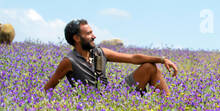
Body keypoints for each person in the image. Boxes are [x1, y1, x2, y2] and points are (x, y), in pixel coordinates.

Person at [42, 19, 176, 96]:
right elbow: (48, 88)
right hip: (92, 107)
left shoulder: (101, 52)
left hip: (113, 97)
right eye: (89, 33)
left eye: (92, 32)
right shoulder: (68, 61)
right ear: (77, 38)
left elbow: (133, 58)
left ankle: (167, 108)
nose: (94, 36)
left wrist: (162, 59)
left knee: (150, 67)